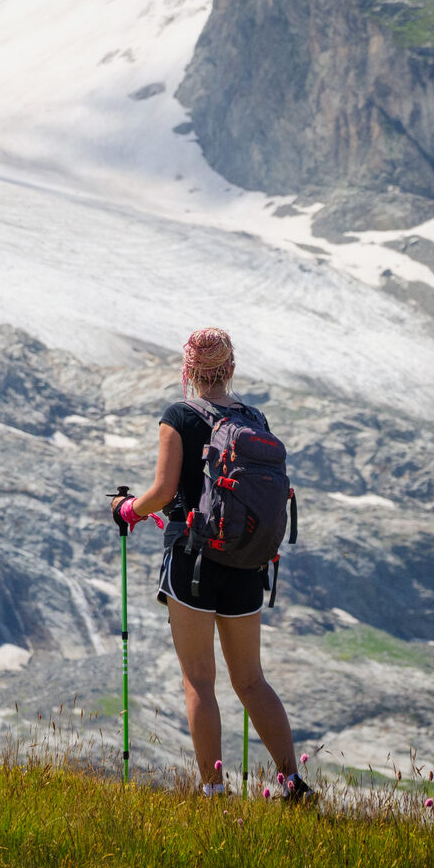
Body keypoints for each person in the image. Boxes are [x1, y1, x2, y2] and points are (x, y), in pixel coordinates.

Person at [110, 327, 310, 802]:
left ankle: (213, 791)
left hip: (193, 562)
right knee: (251, 680)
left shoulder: (178, 415)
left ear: (188, 370)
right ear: (231, 367)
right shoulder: (254, 418)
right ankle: (292, 782)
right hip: (246, 562)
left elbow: (160, 494)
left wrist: (127, 510)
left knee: (199, 678)